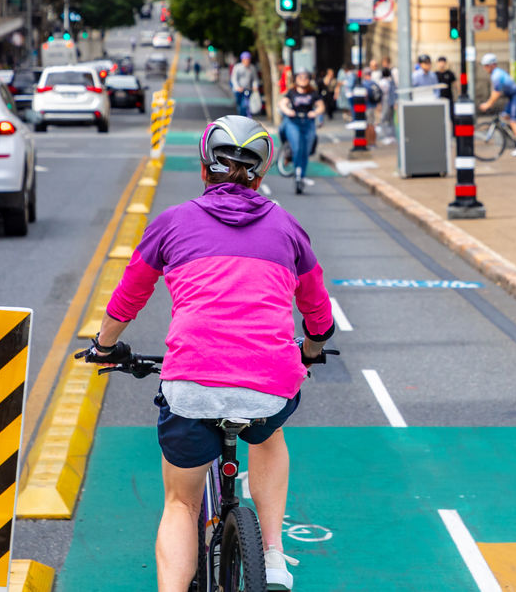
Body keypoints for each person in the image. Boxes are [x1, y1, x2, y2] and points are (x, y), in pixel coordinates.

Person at [77, 115, 335, 592]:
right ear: (260, 175)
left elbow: (127, 299)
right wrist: (314, 348)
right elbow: (316, 307)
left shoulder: (173, 222)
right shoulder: (287, 226)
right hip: (268, 385)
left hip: (192, 382)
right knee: (267, 434)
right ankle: (273, 556)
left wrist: (103, 346)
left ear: (203, 168)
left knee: (181, 504)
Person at [279, 71, 325, 194]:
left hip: (308, 123)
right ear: (296, 79)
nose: (303, 79)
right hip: (294, 122)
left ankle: (301, 175)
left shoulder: (313, 93)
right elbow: (283, 103)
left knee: (306, 150)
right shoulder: (291, 92)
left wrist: (315, 113)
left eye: (306, 77)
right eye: (300, 77)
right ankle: (297, 173)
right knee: (297, 147)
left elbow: (321, 106)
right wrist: (288, 111)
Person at [479, 53, 516, 156]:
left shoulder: (497, 75)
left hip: (515, 96)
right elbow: (495, 92)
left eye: (486, 65)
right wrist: (489, 102)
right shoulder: (496, 73)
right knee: (505, 116)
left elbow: (496, 93)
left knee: (513, 121)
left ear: (492, 65)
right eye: (484, 66)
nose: (485, 68)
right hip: (512, 97)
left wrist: (488, 104)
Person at [230, 52, 258, 117]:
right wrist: (237, 87)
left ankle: (243, 117)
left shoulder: (252, 68)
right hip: (238, 90)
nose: (247, 61)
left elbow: (255, 79)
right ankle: (240, 116)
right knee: (239, 105)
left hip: (247, 90)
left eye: (248, 59)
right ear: (242, 60)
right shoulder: (237, 67)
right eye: (246, 59)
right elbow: (234, 78)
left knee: (245, 105)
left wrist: (255, 86)